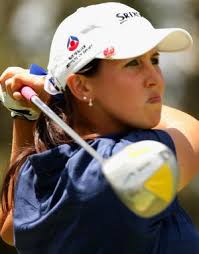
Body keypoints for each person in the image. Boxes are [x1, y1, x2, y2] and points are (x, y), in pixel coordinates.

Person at [1, 2, 199, 253]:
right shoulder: (121, 163)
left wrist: (25, 113)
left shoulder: (46, 169)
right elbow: (192, 131)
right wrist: (52, 95)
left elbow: (11, 225)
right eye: (133, 63)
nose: (156, 78)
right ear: (82, 87)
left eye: (154, 59)